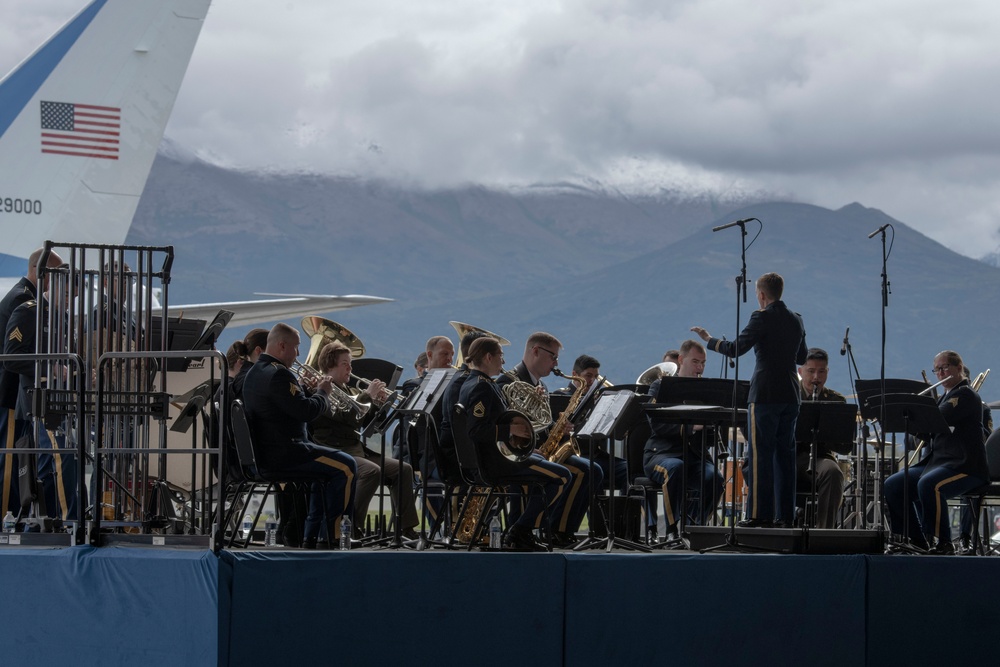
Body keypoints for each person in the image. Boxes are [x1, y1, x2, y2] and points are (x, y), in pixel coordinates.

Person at [692, 272, 808, 527]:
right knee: (785, 456)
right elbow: (802, 357)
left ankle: (759, 515)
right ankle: (785, 517)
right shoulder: (797, 320)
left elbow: (735, 349)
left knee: (759, 456)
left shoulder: (761, 317)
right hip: (791, 395)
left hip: (765, 394)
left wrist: (709, 340)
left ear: (762, 295)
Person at [242, 323, 357, 549]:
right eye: (296, 348)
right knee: (346, 466)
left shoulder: (256, 372)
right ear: (282, 346)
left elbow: (288, 406)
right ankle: (333, 535)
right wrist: (323, 392)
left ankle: (312, 535)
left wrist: (305, 390)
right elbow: (306, 413)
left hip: (269, 453)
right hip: (287, 454)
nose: (298, 355)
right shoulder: (279, 375)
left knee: (327, 472)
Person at [459, 337, 570, 550]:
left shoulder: (472, 383)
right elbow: (476, 430)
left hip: (494, 459)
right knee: (563, 476)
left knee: (540, 459)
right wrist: (511, 430)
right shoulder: (482, 387)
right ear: (489, 357)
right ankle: (521, 531)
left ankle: (522, 529)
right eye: (500, 356)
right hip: (497, 464)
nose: (503, 361)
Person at [497, 332, 602, 546]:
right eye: (553, 357)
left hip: (540, 451)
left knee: (593, 470)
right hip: (518, 455)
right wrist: (527, 449)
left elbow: (541, 425)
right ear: (536, 351)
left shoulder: (543, 387)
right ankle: (526, 530)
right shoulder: (508, 381)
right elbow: (503, 426)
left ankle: (561, 530)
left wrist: (558, 428)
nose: (555, 363)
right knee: (579, 471)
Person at [883, 350, 989, 554]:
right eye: (937, 370)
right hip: (939, 463)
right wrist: (903, 417)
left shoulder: (965, 394)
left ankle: (944, 542)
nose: (940, 373)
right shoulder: (943, 397)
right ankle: (916, 539)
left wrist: (916, 412)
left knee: (929, 484)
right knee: (894, 485)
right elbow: (925, 432)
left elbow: (937, 420)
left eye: (944, 368)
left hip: (965, 465)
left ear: (959, 368)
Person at [310, 341, 419, 539]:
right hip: (335, 450)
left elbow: (362, 424)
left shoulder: (350, 392)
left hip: (356, 449)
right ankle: (350, 526)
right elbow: (346, 419)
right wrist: (367, 395)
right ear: (330, 364)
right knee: (371, 472)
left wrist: (377, 405)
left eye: (350, 363)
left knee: (404, 469)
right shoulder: (323, 390)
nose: (350, 369)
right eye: (345, 364)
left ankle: (405, 529)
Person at [3, 260, 80, 523]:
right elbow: (10, 358)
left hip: (62, 400)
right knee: (60, 459)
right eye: (69, 295)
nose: (71, 301)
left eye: (75, 297)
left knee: (58, 463)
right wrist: (52, 367)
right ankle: (67, 521)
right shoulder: (28, 311)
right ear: (53, 285)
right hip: (37, 399)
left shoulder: (66, 317)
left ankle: (45, 522)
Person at [644, 340, 724, 542]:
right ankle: (672, 531)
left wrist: (715, 424)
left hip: (695, 457)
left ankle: (696, 527)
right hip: (661, 454)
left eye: (703, 363)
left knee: (715, 478)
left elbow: (711, 439)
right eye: (695, 362)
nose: (700, 368)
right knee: (675, 468)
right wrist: (692, 427)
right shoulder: (660, 386)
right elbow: (657, 424)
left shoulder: (705, 390)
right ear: (681, 360)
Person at [795, 348, 851, 529]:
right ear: (800, 371)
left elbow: (845, 447)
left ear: (827, 372)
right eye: (810, 371)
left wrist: (823, 434)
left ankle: (824, 531)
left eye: (821, 371)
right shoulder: (788, 395)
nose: (816, 377)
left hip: (820, 458)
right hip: (790, 456)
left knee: (833, 471)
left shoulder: (836, 400)